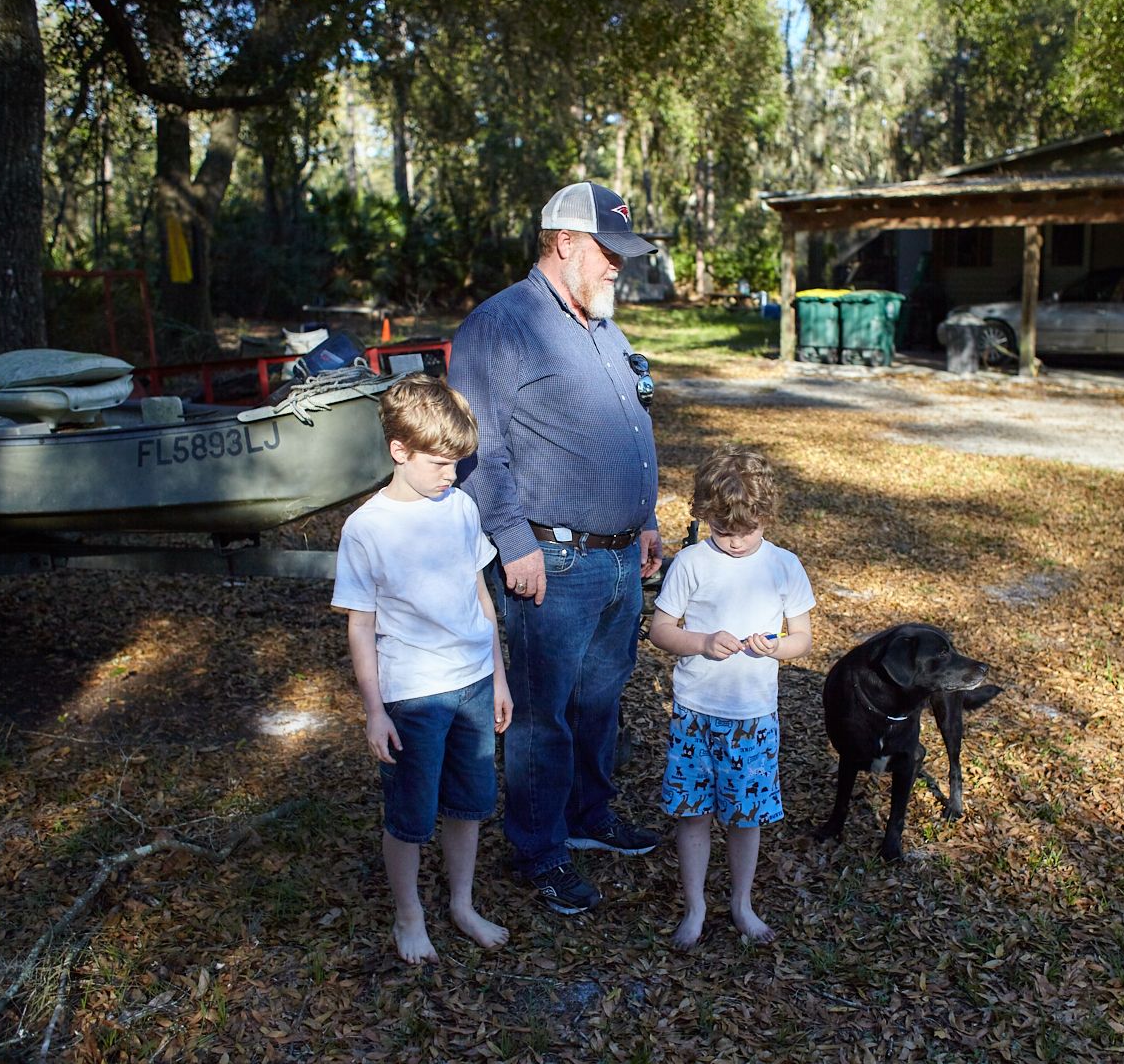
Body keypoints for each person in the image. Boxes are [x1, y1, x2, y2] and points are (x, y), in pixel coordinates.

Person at [449, 181, 664, 915]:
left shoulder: (605, 327)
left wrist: (646, 522)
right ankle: (539, 849)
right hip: (551, 558)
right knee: (544, 714)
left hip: (618, 556)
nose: (618, 268)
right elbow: (479, 447)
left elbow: (630, 429)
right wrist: (511, 542)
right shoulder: (501, 324)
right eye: (609, 252)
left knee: (600, 700)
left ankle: (587, 817)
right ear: (564, 242)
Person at [331, 373, 513, 963]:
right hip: (413, 697)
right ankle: (409, 917)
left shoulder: (459, 506)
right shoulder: (366, 529)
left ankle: (461, 903)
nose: (452, 474)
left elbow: (481, 596)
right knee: (411, 815)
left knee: (469, 803)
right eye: (440, 462)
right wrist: (374, 710)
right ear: (398, 451)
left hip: (474, 685)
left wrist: (500, 677)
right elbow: (360, 624)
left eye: (459, 462)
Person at [648, 446, 814, 948]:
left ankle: (741, 903)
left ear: (766, 516)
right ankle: (695, 907)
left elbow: (803, 640)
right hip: (696, 714)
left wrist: (776, 648)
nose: (737, 541)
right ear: (704, 517)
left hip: (752, 718)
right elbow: (659, 630)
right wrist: (699, 642)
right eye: (723, 530)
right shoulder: (693, 564)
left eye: (748, 530)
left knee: (745, 818)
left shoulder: (784, 566)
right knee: (694, 812)